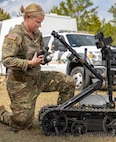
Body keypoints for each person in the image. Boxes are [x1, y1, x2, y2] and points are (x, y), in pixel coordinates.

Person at [0, 3, 75, 130]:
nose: (40, 25)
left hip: (37, 78)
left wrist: (42, 59)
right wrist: (29, 63)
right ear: (28, 17)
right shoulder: (15, 35)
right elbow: (6, 60)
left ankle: (61, 118)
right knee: (23, 123)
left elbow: (38, 53)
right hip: (20, 83)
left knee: (68, 82)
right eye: (38, 22)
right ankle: (2, 113)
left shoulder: (38, 34)